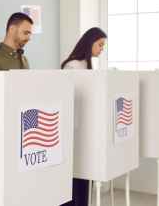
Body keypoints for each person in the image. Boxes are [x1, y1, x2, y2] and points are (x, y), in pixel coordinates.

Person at [60, 27, 107, 206]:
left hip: (86, 127)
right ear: (90, 42)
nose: (102, 49)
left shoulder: (89, 65)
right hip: (73, 128)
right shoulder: (72, 65)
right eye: (100, 44)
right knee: (75, 176)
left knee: (85, 175)